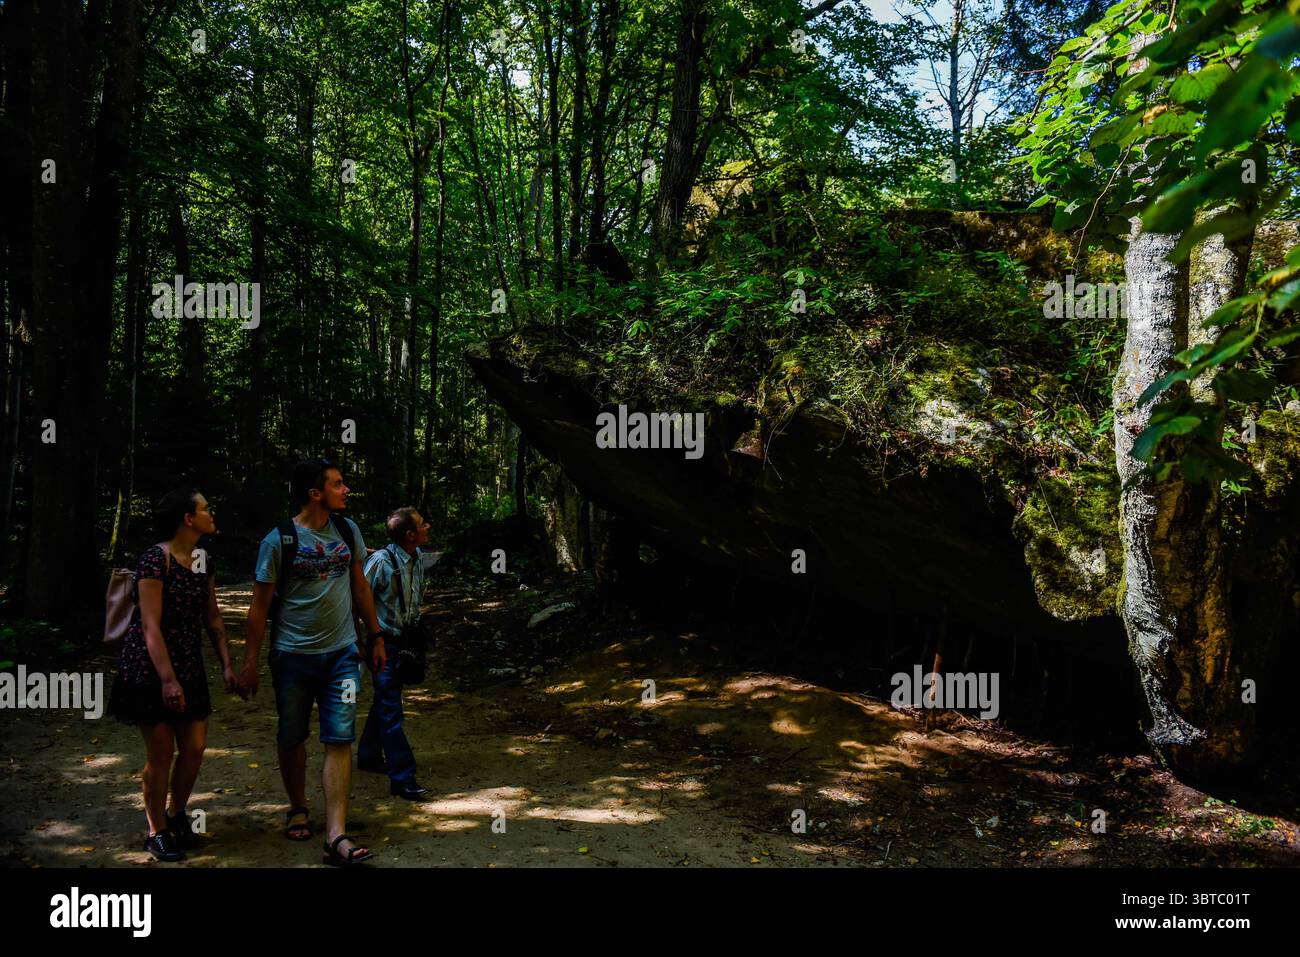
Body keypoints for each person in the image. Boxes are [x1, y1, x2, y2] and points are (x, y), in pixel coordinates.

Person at [238, 458, 386, 866]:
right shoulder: (279, 541)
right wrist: (250, 663)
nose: (346, 490)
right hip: (292, 655)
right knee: (292, 736)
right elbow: (258, 607)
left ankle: (336, 834)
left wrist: (374, 636)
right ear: (314, 493)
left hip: (342, 654)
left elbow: (359, 586)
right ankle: (298, 806)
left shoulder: (347, 530)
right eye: (339, 484)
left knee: (339, 737)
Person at [108, 488, 238, 862]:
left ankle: (177, 814)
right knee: (161, 751)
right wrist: (167, 679)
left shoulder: (201, 558)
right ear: (188, 518)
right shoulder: (155, 559)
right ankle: (156, 831)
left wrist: (227, 663)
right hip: (149, 667)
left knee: (195, 748)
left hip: (188, 664)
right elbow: (150, 626)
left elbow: (212, 617)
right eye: (205, 508)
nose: (211, 513)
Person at [358, 507, 431, 800]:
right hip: (383, 643)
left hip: (406, 641)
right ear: (411, 534)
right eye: (423, 524)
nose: (429, 527)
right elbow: (359, 598)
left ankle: (368, 755)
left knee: (385, 701)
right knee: (391, 708)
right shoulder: (380, 562)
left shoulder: (417, 558)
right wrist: (363, 641)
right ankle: (402, 776)